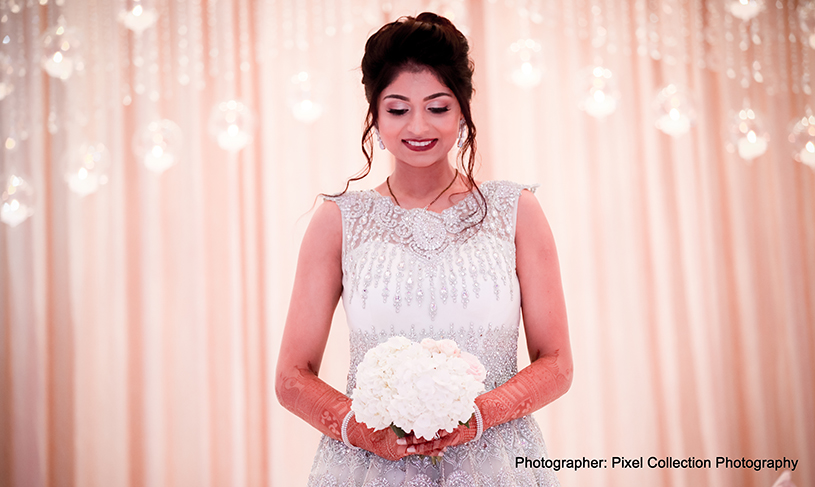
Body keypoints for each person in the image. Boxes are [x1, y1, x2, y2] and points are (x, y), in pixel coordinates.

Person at [275, 12, 572, 486]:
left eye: (437, 107)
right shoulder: (339, 220)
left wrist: (477, 416)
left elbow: (556, 363)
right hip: (369, 468)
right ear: (374, 115)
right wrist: (364, 431)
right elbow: (292, 377)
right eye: (397, 109)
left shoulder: (515, 210)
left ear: (463, 111)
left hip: (495, 466)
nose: (418, 125)